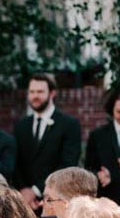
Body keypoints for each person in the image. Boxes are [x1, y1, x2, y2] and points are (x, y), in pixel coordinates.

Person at [14, 73, 81, 210]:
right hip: (25, 203)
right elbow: (15, 162)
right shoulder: (21, 126)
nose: (35, 96)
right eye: (32, 92)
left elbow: (67, 164)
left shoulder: (69, 124)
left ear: (52, 93)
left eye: (40, 91)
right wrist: (23, 191)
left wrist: (36, 191)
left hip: (55, 201)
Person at [85, 86, 120, 206]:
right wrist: (98, 176)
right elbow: (88, 169)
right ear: (112, 110)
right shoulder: (97, 136)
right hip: (107, 205)